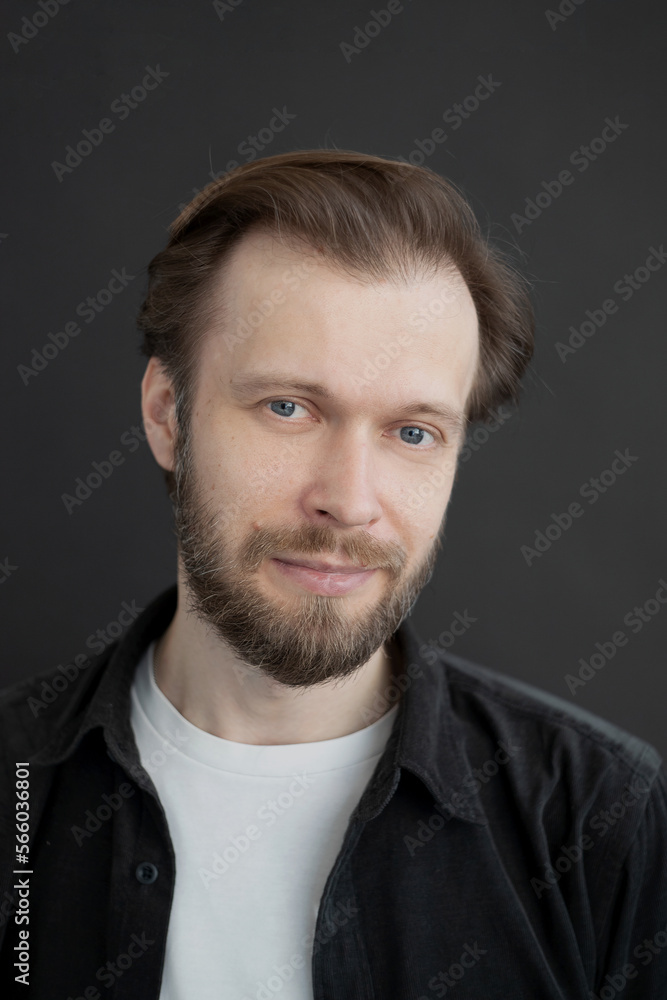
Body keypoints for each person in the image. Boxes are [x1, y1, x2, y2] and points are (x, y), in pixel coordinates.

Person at [1, 149, 665, 1000]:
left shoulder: (597, 817)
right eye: (288, 408)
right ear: (168, 414)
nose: (349, 503)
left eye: (413, 432)